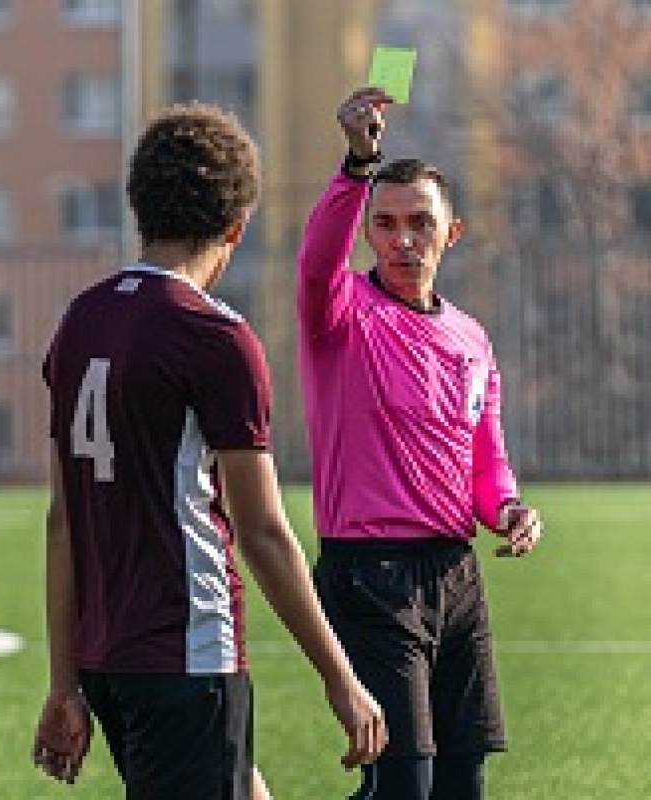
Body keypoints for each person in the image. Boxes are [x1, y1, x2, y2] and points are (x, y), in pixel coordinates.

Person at [32, 102, 387, 800]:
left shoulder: (80, 318)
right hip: (187, 655)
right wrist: (341, 680)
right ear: (237, 225)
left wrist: (65, 682)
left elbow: (62, 519)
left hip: (108, 660)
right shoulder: (214, 337)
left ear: (140, 207)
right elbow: (261, 532)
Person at [296, 86, 543, 800]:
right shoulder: (340, 314)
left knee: (463, 782)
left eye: (420, 223)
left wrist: (511, 510)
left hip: (455, 574)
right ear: (369, 231)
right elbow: (315, 262)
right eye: (387, 224)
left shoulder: (470, 336)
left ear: (451, 233)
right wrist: (357, 164)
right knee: (404, 785)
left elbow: (485, 459)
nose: (404, 239)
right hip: (369, 573)